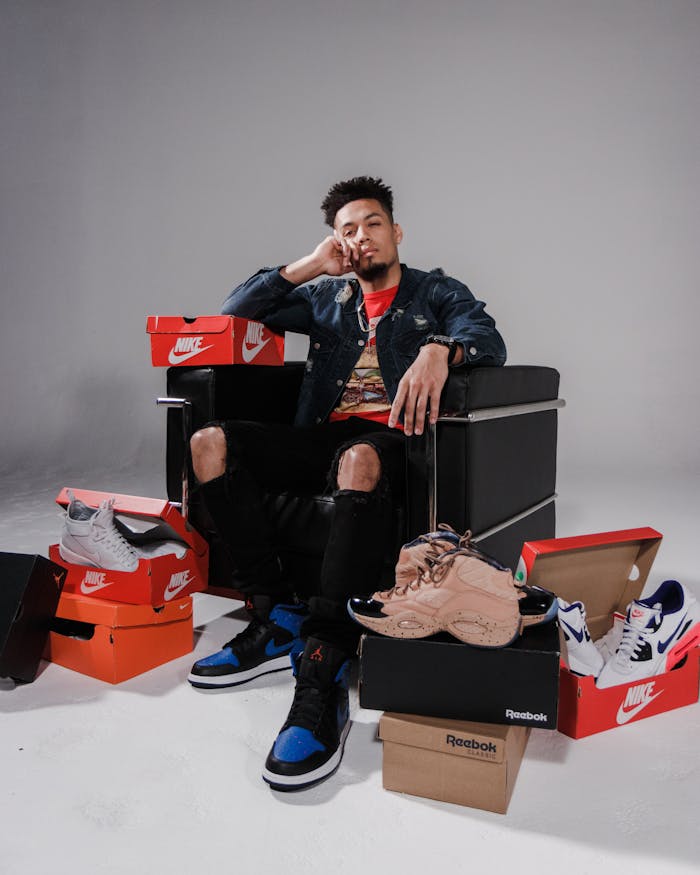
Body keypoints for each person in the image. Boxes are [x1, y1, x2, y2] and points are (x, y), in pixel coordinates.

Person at [186, 176, 507, 791]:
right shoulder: (327, 297)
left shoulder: (434, 290)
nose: (361, 237)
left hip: (388, 443)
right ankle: (273, 611)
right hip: (319, 436)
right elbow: (234, 313)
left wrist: (439, 349)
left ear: (396, 231)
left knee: (357, 457)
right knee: (209, 443)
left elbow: (486, 336)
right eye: (348, 230)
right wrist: (311, 265)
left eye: (372, 224)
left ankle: (325, 658)